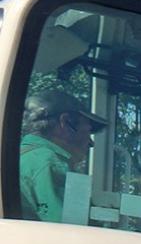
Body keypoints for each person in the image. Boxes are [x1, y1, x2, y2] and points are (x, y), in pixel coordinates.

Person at [18, 89, 105, 223]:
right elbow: (71, 234)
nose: (91, 142)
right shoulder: (51, 163)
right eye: (87, 131)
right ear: (65, 122)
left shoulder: (20, 157)